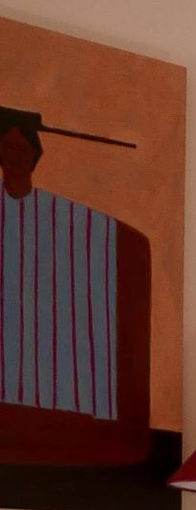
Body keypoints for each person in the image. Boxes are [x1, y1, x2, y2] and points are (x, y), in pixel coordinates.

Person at [1, 104, 146, 431]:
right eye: (8, 148)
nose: (15, 156)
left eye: (22, 149)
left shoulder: (63, 217)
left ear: (35, 156)